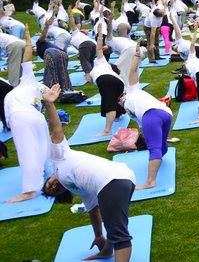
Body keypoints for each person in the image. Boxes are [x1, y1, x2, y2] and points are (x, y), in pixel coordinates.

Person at [40, 85, 137, 262]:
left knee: (119, 234)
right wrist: (99, 236)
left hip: (113, 180)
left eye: (49, 184)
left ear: (49, 177)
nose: (53, 185)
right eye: (53, 190)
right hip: (120, 179)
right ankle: (107, 251)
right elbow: (93, 211)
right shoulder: (79, 188)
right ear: (62, 192)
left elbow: (56, 131)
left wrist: (49, 104)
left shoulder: (59, 158)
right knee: (113, 223)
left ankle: (113, 250)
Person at [3, 30, 50, 204]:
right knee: (43, 145)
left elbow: (27, 60)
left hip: (21, 115)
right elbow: (28, 59)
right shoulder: (33, 85)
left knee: (27, 152)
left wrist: (29, 41)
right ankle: (47, 172)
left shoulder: (29, 82)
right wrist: (29, 41)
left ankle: (30, 190)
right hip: (35, 117)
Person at [118, 50, 173, 190]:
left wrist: (136, 56)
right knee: (160, 144)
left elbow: (133, 71)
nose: (121, 100)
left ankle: (150, 182)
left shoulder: (132, 90)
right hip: (166, 113)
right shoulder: (129, 108)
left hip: (152, 115)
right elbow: (143, 126)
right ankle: (159, 158)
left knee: (154, 148)